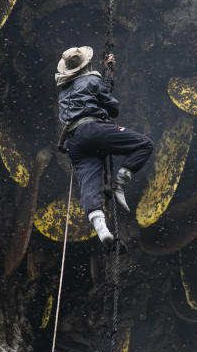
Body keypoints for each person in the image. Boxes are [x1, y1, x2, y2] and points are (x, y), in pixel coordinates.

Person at [56, 46, 153, 246]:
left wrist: (106, 77)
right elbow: (113, 108)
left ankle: (101, 228)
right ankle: (120, 180)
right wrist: (107, 77)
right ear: (86, 64)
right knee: (144, 144)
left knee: (89, 182)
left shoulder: (63, 93)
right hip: (94, 130)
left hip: (74, 141)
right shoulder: (91, 80)